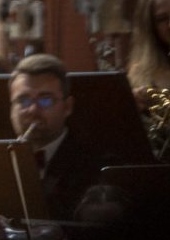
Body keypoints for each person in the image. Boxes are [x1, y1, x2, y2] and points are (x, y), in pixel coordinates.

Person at [8, 53, 118, 221]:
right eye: (23, 101)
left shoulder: (97, 167)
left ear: (67, 107)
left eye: (45, 100)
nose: (33, 110)